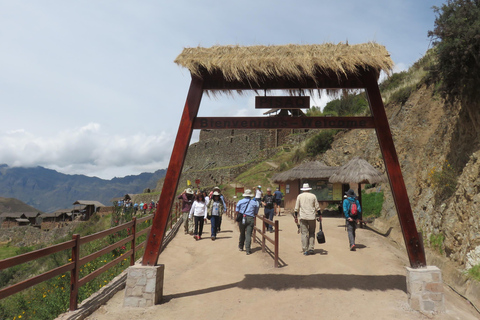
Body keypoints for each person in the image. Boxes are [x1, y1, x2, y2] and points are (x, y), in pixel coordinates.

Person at [294, 183, 321, 256]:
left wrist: (295, 216)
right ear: (309, 189)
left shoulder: (299, 196)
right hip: (312, 217)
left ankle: (305, 249)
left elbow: (296, 207)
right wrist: (320, 215)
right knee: (312, 232)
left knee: (304, 233)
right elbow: (317, 207)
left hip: (303, 217)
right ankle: (311, 248)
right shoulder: (313, 196)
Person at [236, 189, 259, 255]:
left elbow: (237, 210)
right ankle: (248, 249)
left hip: (242, 217)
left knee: (242, 232)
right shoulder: (254, 203)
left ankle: (241, 246)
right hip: (250, 218)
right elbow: (256, 212)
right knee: (249, 234)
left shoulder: (240, 201)